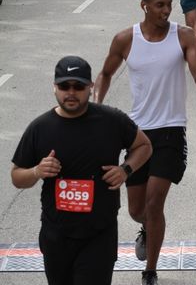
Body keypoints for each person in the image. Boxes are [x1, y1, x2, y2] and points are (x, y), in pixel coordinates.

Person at [93, 0, 196, 285]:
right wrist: (94, 111)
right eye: (160, 5)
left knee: (154, 202)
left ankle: (150, 272)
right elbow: (105, 74)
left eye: (170, 4)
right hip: (137, 135)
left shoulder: (183, 36)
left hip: (171, 131)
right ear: (143, 5)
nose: (166, 10)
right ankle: (147, 229)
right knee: (135, 210)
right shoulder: (125, 39)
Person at [11, 55, 152, 285]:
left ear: (90, 87)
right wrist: (37, 171)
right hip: (56, 236)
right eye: (64, 86)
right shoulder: (40, 128)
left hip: (99, 234)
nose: (71, 92)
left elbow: (144, 145)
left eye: (78, 86)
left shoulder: (111, 121)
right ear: (54, 87)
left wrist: (126, 169)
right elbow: (17, 176)